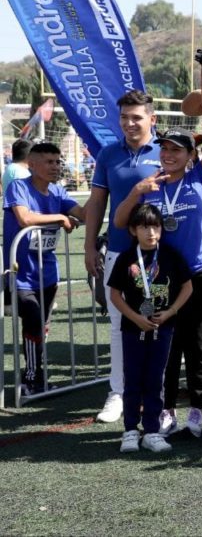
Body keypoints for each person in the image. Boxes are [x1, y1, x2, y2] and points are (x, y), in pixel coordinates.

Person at [113, 77, 202, 438]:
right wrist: (135, 192)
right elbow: (119, 221)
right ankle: (167, 412)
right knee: (168, 347)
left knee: (198, 343)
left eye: (177, 150)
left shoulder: (201, 179)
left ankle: (197, 409)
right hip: (165, 280)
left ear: (191, 155)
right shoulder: (152, 186)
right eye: (165, 150)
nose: (169, 155)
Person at [85, 90, 163, 423]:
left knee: (163, 323)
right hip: (119, 251)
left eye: (136, 117)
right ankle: (117, 393)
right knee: (120, 327)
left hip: (162, 255)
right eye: (124, 118)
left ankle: (158, 395)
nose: (129, 124)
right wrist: (90, 245)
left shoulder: (168, 151)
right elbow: (97, 203)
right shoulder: (107, 154)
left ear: (152, 119)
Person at [108, 204, 192, 454]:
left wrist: (170, 312)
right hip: (133, 329)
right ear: (133, 230)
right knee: (133, 378)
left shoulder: (171, 255)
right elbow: (114, 294)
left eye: (155, 226)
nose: (151, 232)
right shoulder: (126, 258)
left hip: (162, 329)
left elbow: (188, 287)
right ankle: (130, 431)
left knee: (156, 379)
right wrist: (134, 317)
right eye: (144, 227)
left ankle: (152, 431)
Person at [3, 143, 86, 395]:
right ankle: (31, 379)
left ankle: (35, 376)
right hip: (21, 275)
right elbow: (24, 218)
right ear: (32, 164)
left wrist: (105, 190)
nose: (55, 166)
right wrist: (61, 218)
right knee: (34, 323)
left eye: (57, 161)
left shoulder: (58, 191)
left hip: (48, 274)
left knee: (40, 326)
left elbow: (82, 214)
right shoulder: (19, 187)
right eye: (49, 161)